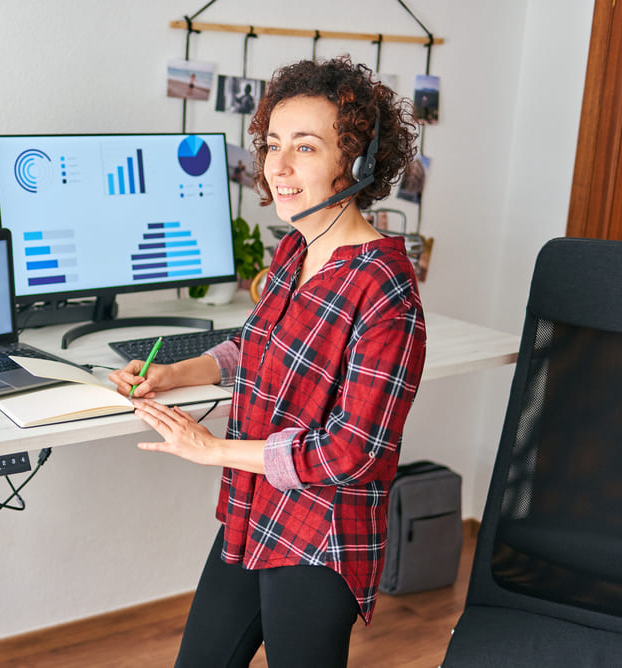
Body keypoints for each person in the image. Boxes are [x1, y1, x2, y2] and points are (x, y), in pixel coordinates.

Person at [109, 56, 426, 667]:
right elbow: (252, 348)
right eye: (273, 144)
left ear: (355, 162)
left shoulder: (384, 287)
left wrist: (213, 450)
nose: (277, 167)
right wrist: (175, 374)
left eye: (304, 147)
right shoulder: (292, 250)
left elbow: (349, 451)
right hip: (251, 510)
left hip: (321, 532)